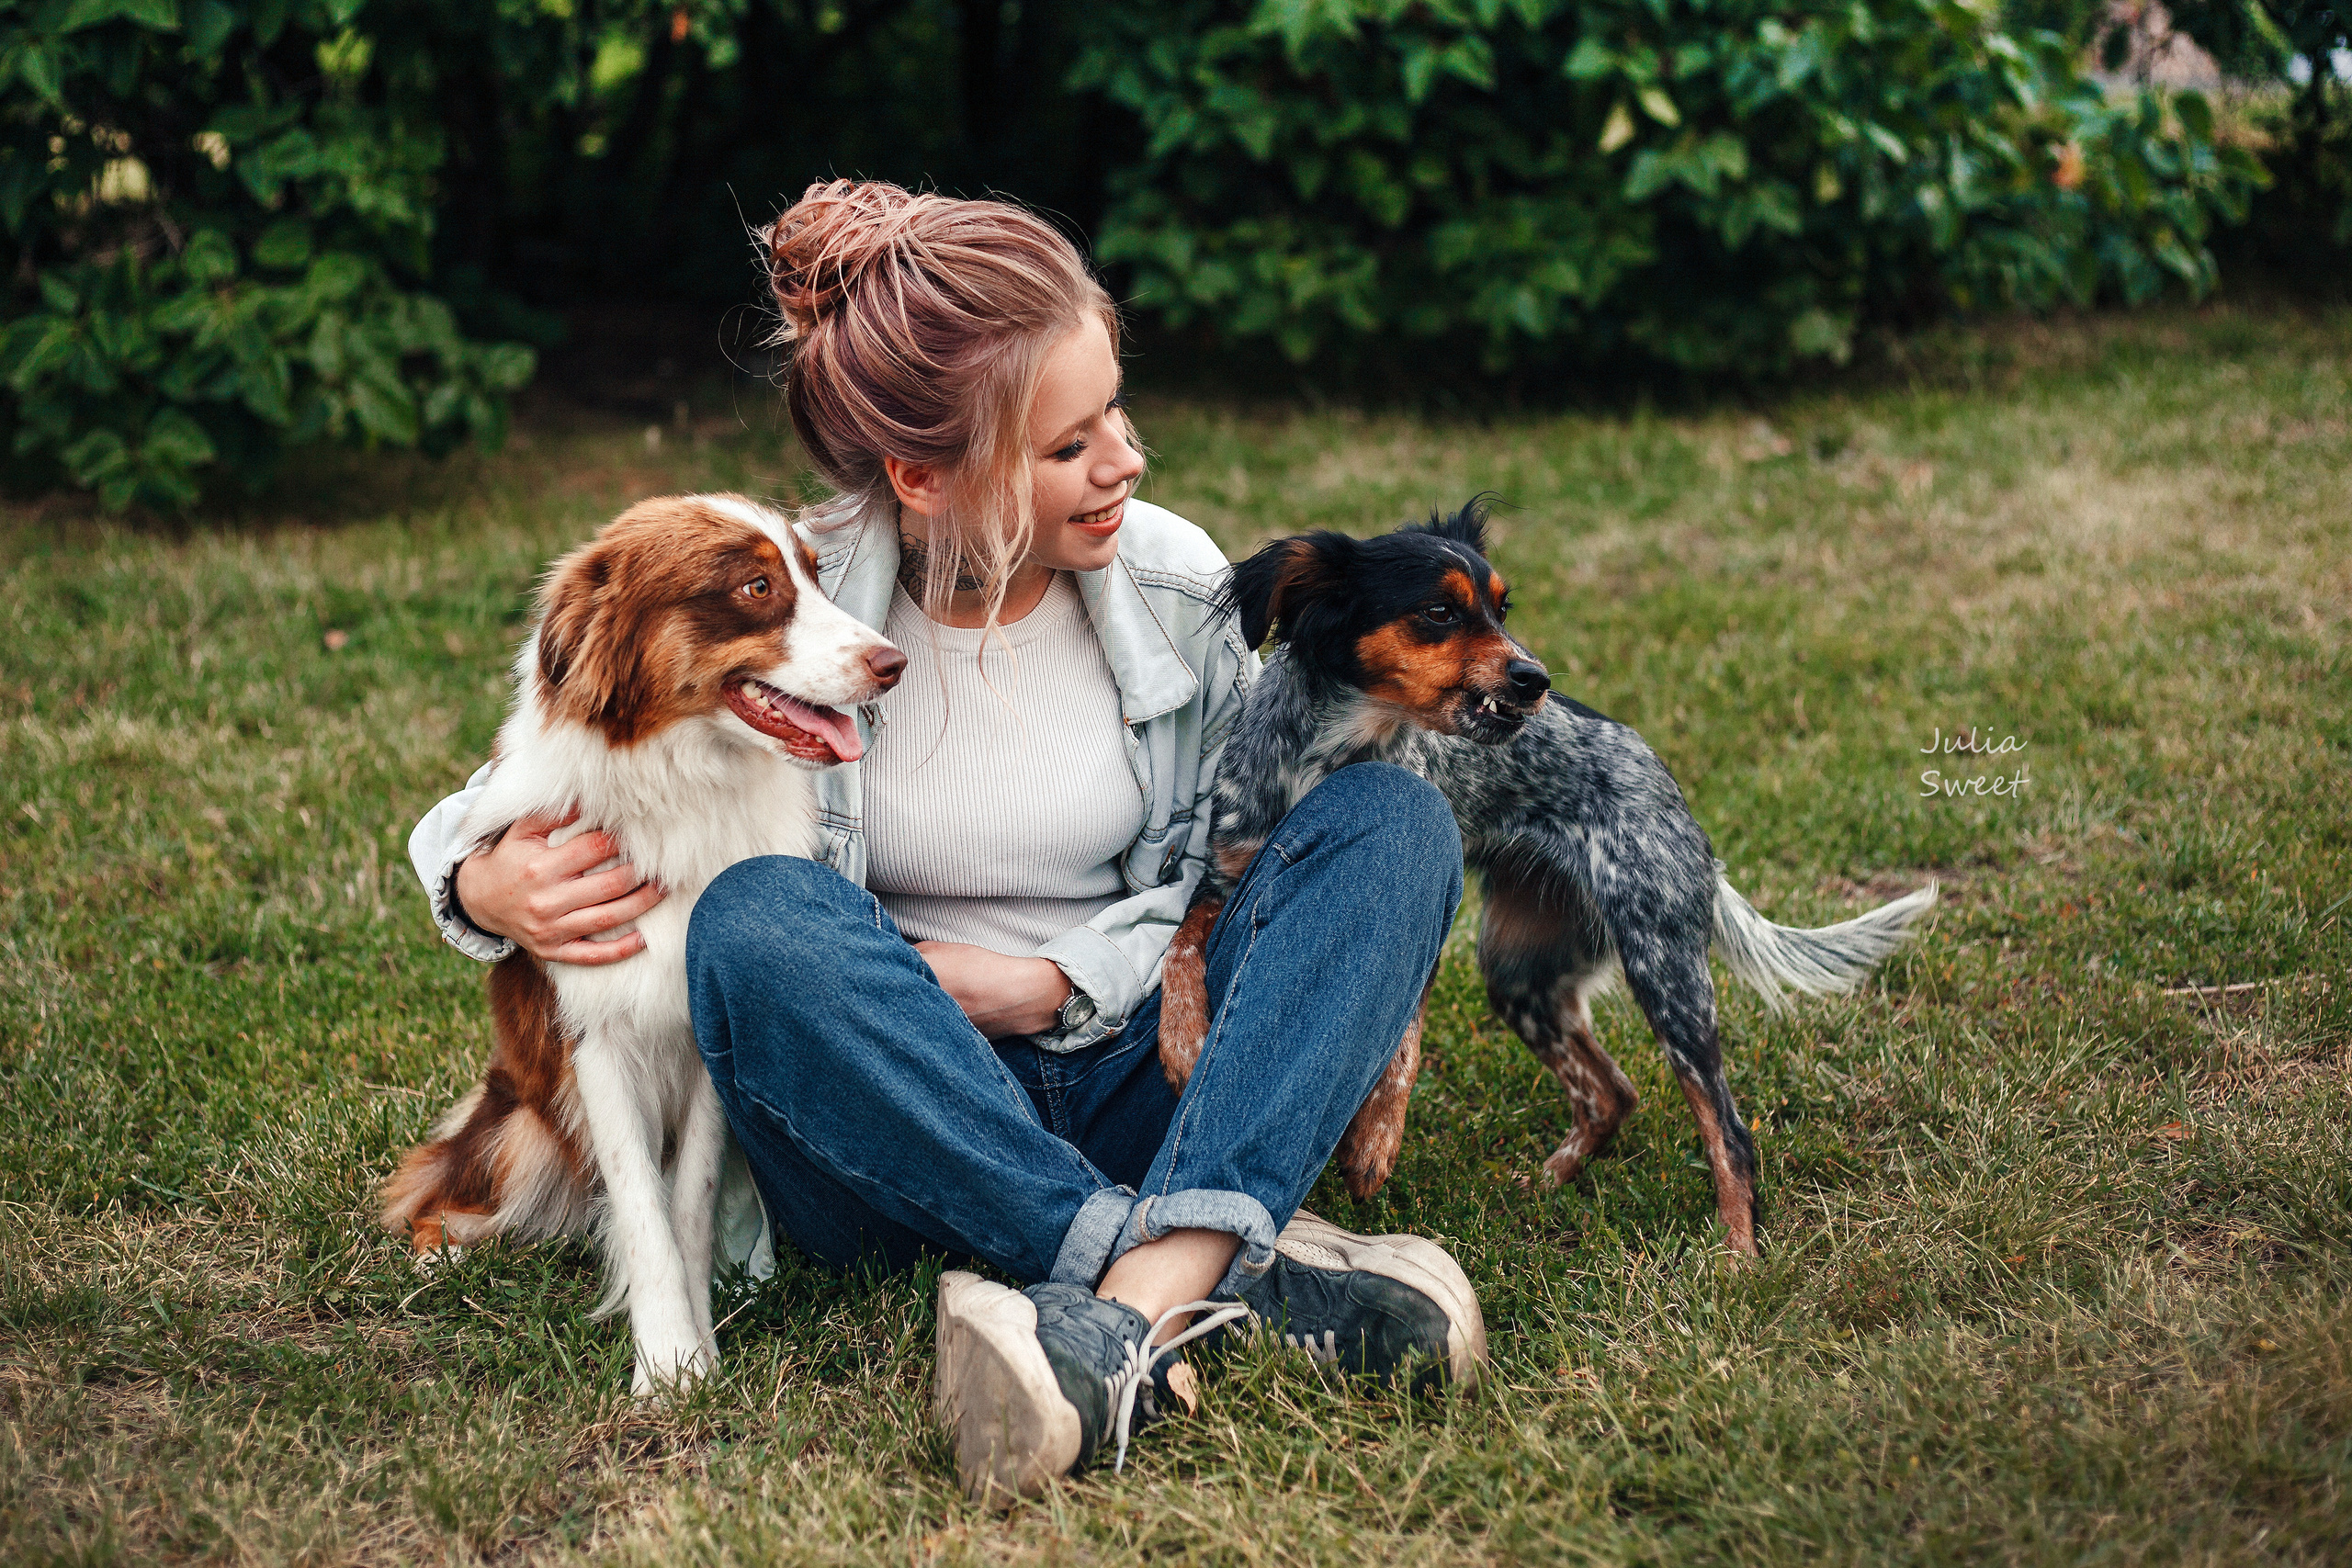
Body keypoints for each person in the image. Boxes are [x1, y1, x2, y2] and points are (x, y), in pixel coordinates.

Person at [404, 179, 1485, 1497]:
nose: (1125, 460)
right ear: (920, 475)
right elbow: (556, 751)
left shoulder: (1173, 580)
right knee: (755, 923)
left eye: (1118, 414)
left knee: (1390, 821)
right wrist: (475, 873)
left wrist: (1056, 981)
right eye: (1070, 443)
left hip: (1144, 1071)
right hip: (884, 1126)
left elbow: (1245, 842)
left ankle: (1124, 1302)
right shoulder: (791, 592)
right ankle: (1203, 1266)